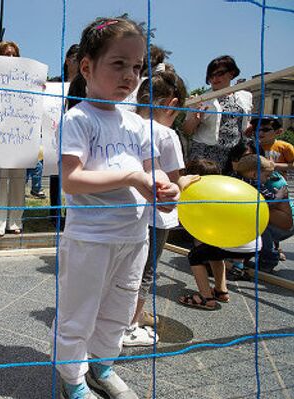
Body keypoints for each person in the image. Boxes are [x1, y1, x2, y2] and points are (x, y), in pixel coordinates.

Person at [53, 17, 180, 399]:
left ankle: (103, 365)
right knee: (79, 313)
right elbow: (72, 180)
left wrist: (164, 186)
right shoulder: (77, 119)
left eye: (138, 67)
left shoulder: (138, 124)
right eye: (119, 63)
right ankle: (73, 379)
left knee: (120, 311)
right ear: (87, 67)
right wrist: (131, 178)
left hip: (135, 236)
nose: (130, 75)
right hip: (90, 239)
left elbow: (149, 173)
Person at [123, 64, 187, 347]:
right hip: (156, 217)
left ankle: (113, 319)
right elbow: (175, 182)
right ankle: (130, 326)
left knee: (124, 268)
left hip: (126, 211)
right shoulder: (166, 134)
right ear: (172, 104)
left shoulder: (127, 123)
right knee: (145, 272)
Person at [178, 158, 261, 310]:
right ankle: (221, 291)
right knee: (213, 253)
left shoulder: (199, 193)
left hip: (234, 242)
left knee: (195, 256)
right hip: (253, 242)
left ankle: (206, 298)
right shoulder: (224, 187)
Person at [0, 41, 27, 236]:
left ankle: (14, 222)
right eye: (6, 54)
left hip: (22, 137)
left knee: (18, 180)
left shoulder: (26, 79)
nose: (10, 58)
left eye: (13, 55)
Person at [183, 55, 253, 170]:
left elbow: (245, 126)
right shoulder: (200, 99)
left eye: (220, 73)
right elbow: (186, 130)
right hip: (206, 154)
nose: (214, 78)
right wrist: (195, 120)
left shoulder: (245, 97)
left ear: (232, 73)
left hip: (235, 155)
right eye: (211, 75)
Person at [48, 44, 80, 225]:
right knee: (55, 173)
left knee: (74, 173)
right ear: (67, 60)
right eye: (75, 58)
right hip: (56, 131)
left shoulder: (86, 84)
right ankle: (54, 213)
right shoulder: (56, 82)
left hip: (76, 133)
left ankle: (72, 212)